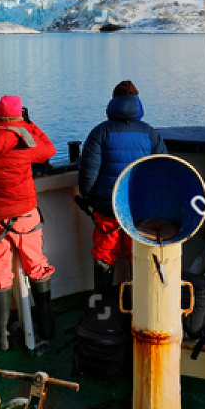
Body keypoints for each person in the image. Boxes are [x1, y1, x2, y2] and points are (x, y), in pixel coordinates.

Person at [0, 95, 58, 351]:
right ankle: (45, 325)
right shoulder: (24, 140)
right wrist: (29, 126)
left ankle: (1, 335)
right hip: (23, 215)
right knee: (37, 266)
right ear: (18, 116)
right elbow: (49, 151)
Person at [77, 79, 167, 295]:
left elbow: (88, 173)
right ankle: (139, 307)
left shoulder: (100, 133)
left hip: (108, 209)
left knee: (104, 254)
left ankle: (104, 309)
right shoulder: (151, 134)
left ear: (113, 103)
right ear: (138, 103)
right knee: (137, 254)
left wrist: (89, 198)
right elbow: (163, 171)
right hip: (139, 209)